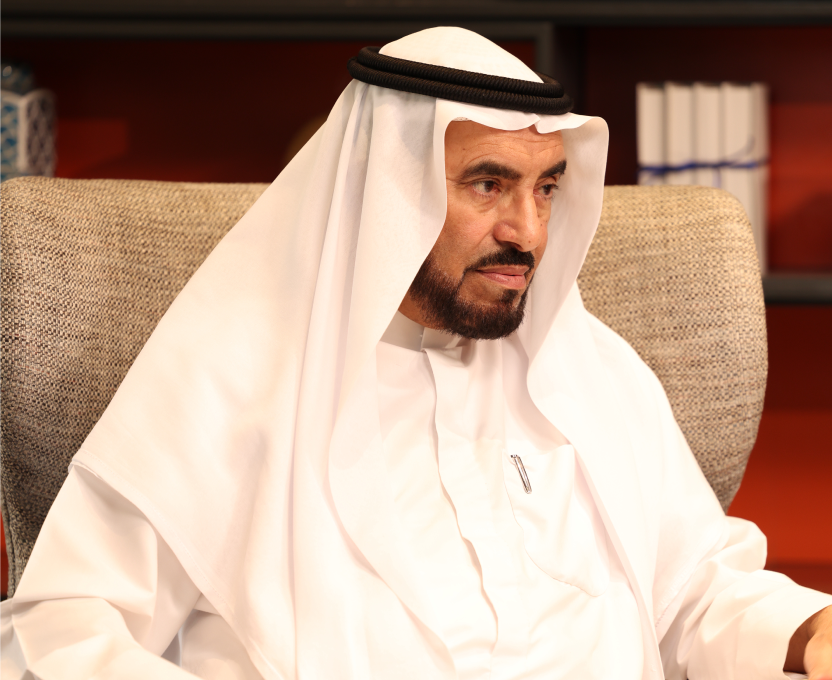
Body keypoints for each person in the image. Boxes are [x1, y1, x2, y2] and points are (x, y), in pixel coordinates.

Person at [1, 26, 831, 680]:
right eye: (487, 184)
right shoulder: (228, 379)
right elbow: (61, 632)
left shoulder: (591, 369)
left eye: (546, 187)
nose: (528, 233)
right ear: (382, 192)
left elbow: (694, 594)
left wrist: (809, 633)